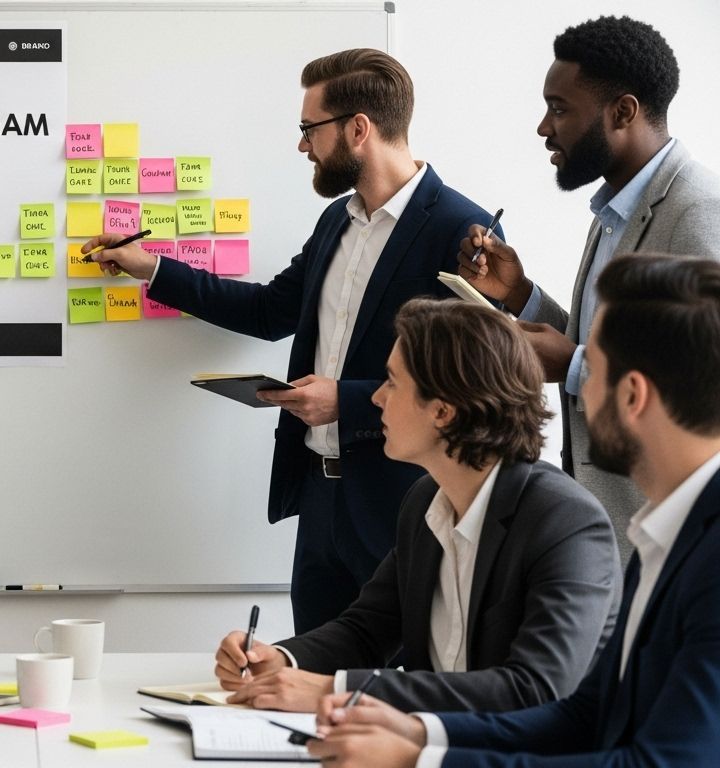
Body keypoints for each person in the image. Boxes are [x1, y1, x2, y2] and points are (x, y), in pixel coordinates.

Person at [84, 49, 498, 632]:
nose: (303, 145)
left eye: (310, 128)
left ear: (358, 129)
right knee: (310, 668)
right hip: (319, 499)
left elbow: (472, 385)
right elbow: (268, 310)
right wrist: (150, 267)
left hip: (402, 502)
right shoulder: (337, 222)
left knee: (397, 677)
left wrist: (344, 400)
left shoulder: (463, 231)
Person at [307, 254, 720, 767]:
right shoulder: (667, 534)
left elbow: (661, 762)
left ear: (632, 395)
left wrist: (420, 760)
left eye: (593, 369)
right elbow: (586, 717)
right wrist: (419, 732)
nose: (578, 389)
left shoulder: (697, 551)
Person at [213, 298, 617, 713]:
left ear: (443, 411)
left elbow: (535, 689)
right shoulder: (425, 501)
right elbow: (367, 631)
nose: (376, 398)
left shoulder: (566, 522)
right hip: (433, 743)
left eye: (391, 382)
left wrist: (335, 691)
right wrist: (281, 659)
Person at [458, 16, 720, 562]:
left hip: (665, 536)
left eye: (559, 109)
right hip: (610, 525)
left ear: (622, 112)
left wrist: (574, 365)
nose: (543, 127)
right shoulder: (614, 210)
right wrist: (520, 294)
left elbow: (706, 379)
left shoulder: (696, 211)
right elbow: (611, 343)